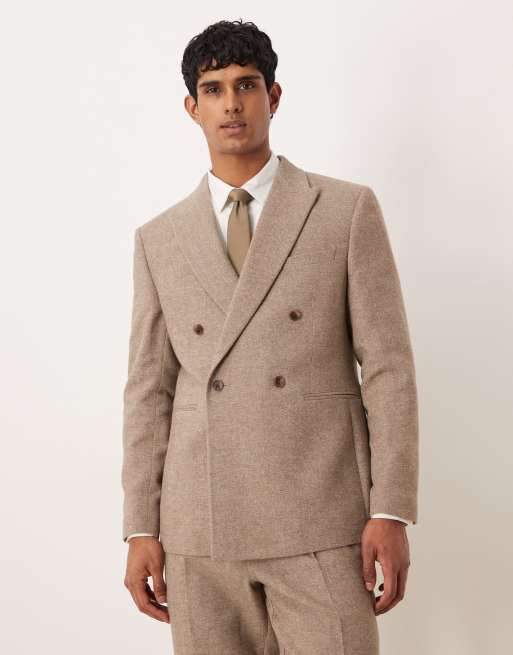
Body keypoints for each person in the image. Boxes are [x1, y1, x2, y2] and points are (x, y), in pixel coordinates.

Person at [121, 18, 419, 655]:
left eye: (247, 85)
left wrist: (390, 509)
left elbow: (388, 368)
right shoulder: (159, 239)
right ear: (192, 108)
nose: (231, 103)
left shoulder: (344, 210)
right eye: (214, 89)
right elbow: (149, 391)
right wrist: (140, 525)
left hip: (321, 515)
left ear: (273, 96)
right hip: (200, 526)